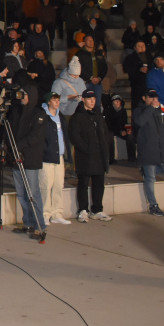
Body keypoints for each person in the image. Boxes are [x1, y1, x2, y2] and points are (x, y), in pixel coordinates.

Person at [69, 89, 112, 223]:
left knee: (99, 183)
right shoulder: (77, 117)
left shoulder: (98, 116)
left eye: (94, 98)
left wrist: (105, 150)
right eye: (89, 99)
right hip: (85, 157)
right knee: (83, 183)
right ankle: (83, 210)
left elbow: (104, 134)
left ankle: (97, 210)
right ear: (83, 100)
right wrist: (86, 148)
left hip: (99, 156)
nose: (92, 101)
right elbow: (74, 136)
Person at [10, 85, 47, 238]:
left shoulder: (39, 114)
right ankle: (28, 223)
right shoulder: (18, 112)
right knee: (21, 194)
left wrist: (17, 146)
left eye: (24, 94)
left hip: (30, 159)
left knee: (33, 193)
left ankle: (39, 225)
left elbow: (35, 136)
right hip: (17, 158)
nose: (21, 97)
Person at [133, 89, 164, 217]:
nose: (153, 100)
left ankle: (145, 171)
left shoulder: (160, 110)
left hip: (162, 149)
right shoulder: (139, 110)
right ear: (144, 98)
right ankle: (153, 205)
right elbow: (139, 121)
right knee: (150, 179)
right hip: (148, 150)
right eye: (150, 97)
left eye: (155, 97)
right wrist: (151, 108)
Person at [40, 92, 71, 225]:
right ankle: (45, 214)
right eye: (54, 100)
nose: (57, 102)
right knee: (46, 185)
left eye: (58, 100)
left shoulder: (61, 116)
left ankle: (57, 213)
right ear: (49, 102)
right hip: (47, 157)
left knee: (59, 184)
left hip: (60, 155)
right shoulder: (43, 116)